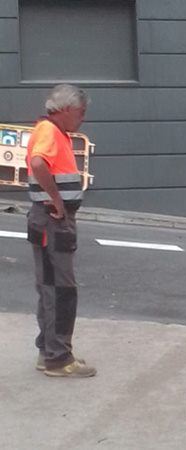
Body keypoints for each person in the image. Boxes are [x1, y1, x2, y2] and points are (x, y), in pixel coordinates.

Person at [26, 84, 96, 377]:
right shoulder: (50, 132)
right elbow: (38, 162)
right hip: (53, 221)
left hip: (46, 221)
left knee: (50, 288)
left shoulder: (53, 131)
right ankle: (58, 358)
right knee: (62, 290)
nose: (82, 119)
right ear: (65, 109)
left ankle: (49, 351)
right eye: (80, 113)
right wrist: (57, 200)